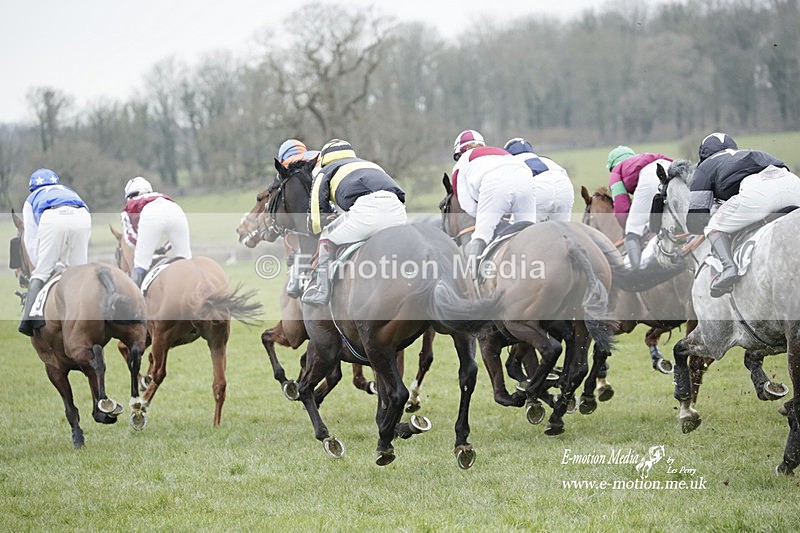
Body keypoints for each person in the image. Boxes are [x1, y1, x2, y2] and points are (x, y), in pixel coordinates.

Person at [687, 132, 800, 297]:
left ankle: (728, 269)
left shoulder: (704, 168)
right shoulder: (754, 153)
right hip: (793, 184)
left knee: (713, 226)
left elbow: (696, 221)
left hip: (758, 193)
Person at [301, 139, 407, 306]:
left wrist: (317, 226)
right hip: (397, 210)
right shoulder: (370, 165)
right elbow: (401, 195)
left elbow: (316, 216)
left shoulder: (325, 171)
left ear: (324, 159)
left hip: (366, 212)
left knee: (326, 236)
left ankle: (322, 290)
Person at [450, 129, 537, 274]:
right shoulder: (499, 152)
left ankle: (471, 279)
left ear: (459, 153)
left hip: (495, 182)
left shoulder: (460, 165)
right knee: (529, 232)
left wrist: (492, 215)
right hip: (525, 177)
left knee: (481, 235)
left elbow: (467, 205)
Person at [19, 168, 91, 336]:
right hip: (82, 216)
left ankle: (28, 321)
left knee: (41, 272)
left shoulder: (31, 199)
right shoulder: (68, 190)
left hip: (52, 216)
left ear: (32, 187)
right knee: (79, 273)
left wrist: (42, 263)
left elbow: (31, 239)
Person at [607, 145, 673, 270]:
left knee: (633, 229)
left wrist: (630, 227)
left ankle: (635, 271)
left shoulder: (616, 172)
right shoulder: (643, 159)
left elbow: (622, 208)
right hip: (670, 168)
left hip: (650, 176)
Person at [121, 176, 192, 287]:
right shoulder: (162, 197)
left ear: (129, 195)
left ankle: (134, 300)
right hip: (176, 209)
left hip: (151, 213)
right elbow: (174, 238)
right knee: (185, 258)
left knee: (141, 263)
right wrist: (164, 249)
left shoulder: (131, 205)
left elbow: (131, 239)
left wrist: (147, 250)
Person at [276, 139, 320, 298]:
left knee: (304, 235)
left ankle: (297, 280)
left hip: (316, 216)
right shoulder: (315, 163)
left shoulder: (290, 174)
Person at [503, 137, 574, 222]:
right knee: (563, 231)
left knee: (518, 230)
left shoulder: (511, 164)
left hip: (539, 188)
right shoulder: (546, 159)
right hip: (564, 186)